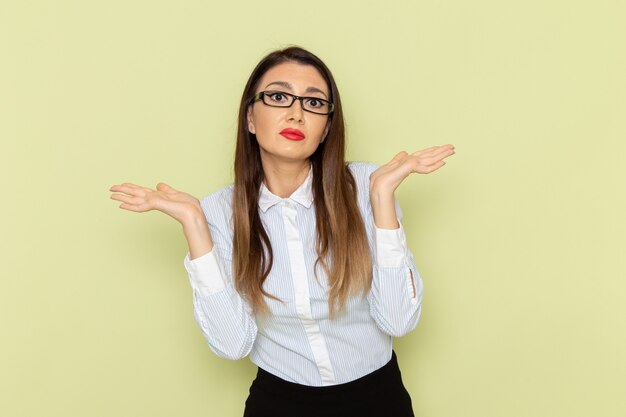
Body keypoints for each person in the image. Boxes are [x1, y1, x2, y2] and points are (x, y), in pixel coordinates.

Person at [109, 45, 455, 417]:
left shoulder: (369, 186)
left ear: (326, 129)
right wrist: (195, 223)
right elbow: (232, 345)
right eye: (277, 96)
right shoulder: (218, 212)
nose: (296, 113)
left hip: (376, 397)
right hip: (279, 402)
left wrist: (382, 199)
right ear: (250, 118)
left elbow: (399, 320)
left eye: (314, 103)